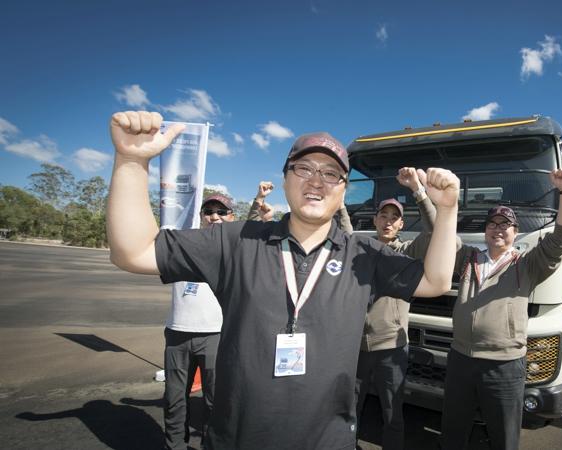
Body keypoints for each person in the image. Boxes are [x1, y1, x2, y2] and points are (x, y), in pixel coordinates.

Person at [106, 111, 459, 450]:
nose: (317, 181)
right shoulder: (236, 240)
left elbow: (436, 280)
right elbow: (134, 252)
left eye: (331, 173)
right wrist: (131, 162)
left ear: (343, 190)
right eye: (304, 168)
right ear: (286, 178)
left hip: (329, 442)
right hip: (238, 439)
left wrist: (446, 211)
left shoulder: (363, 254)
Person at [439, 169, 562, 450]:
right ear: (485, 231)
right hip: (460, 360)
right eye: (493, 223)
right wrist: (428, 196)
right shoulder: (467, 257)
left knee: (504, 436)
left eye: (506, 224)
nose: (498, 228)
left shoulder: (526, 265)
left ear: (515, 232)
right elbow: (439, 231)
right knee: (453, 430)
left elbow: (560, 238)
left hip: (504, 366)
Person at [342, 167, 436, 450]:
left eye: (394, 218)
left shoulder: (408, 252)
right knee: (350, 411)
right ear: (375, 219)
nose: (388, 221)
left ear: (400, 225)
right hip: (357, 347)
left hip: (392, 347)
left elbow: (434, 229)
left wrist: (419, 191)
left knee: (392, 414)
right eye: (384, 215)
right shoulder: (361, 248)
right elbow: (343, 228)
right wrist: (339, 198)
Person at [164, 193, 232, 450]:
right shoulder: (184, 243)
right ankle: (175, 446)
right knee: (174, 399)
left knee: (214, 401)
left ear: (231, 217)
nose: (214, 216)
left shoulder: (233, 250)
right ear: (201, 216)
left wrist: (260, 205)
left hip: (215, 336)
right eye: (208, 211)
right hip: (177, 334)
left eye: (221, 212)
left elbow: (253, 237)